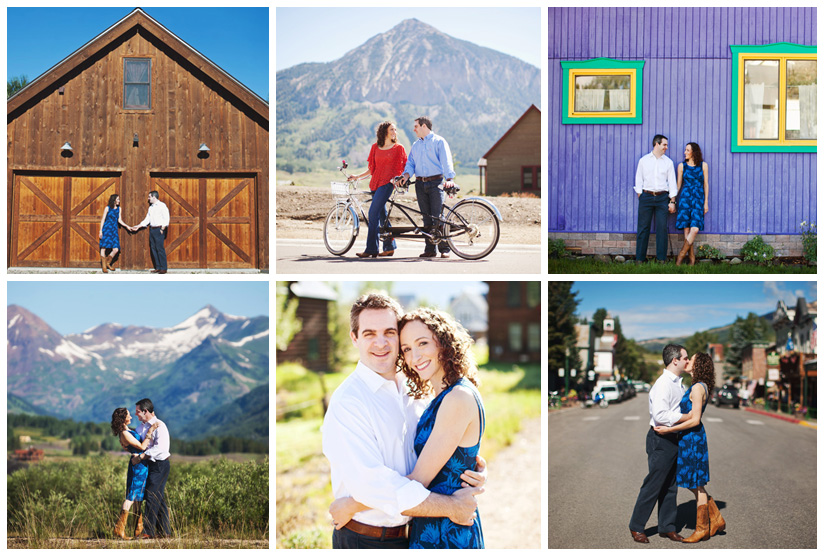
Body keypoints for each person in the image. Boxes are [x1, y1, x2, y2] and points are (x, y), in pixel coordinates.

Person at [321, 294, 485, 549]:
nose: (381, 342)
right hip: (367, 539)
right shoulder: (349, 402)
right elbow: (373, 486)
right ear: (354, 338)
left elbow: (433, 461)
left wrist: (471, 469)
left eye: (389, 332)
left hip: (419, 530)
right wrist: (454, 504)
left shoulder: (414, 388)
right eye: (369, 334)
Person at [654, 353, 726, 543]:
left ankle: (702, 529)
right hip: (690, 438)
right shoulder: (701, 386)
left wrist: (670, 429)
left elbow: (695, 419)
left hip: (692, 439)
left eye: (691, 359)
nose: (687, 361)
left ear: (698, 364)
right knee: (693, 483)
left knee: (696, 484)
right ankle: (716, 519)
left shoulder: (696, 387)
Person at [628, 344, 688, 543]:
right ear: (675, 360)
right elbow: (660, 415)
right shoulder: (664, 383)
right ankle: (636, 526)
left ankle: (667, 527)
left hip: (674, 437)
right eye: (685, 358)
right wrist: (687, 417)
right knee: (653, 484)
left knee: (671, 485)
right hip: (660, 438)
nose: (687, 361)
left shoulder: (679, 383)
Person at [397, 117, 456, 258]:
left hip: (436, 183)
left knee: (438, 217)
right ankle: (430, 250)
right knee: (426, 219)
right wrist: (405, 176)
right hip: (420, 184)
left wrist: (449, 179)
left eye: (416, 126)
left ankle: (444, 249)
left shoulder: (439, 141)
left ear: (424, 126)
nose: (414, 129)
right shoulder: (415, 145)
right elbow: (410, 164)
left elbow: (446, 160)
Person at [348, 121, 407, 258]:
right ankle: (389, 247)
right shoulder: (375, 147)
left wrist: (398, 180)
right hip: (375, 183)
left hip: (387, 184)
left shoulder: (398, 148)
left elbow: (403, 168)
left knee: (373, 213)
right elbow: (371, 169)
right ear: (384, 132)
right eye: (392, 130)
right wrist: (357, 176)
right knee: (382, 216)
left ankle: (372, 249)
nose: (394, 132)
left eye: (395, 130)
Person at [110, 408, 159, 539]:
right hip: (137, 465)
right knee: (131, 496)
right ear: (123, 417)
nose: (131, 416)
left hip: (141, 464)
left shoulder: (127, 431)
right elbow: (142, 447)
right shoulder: (124, 434)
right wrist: (150, 431)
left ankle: (138, 530)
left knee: (138, 497)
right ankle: (119, 529)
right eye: (128, 414)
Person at [634, 135, 677, 263]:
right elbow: (638, 179)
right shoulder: (644, 161)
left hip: (662, 198)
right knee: (643, 228)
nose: (666, 147)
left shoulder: (668, 162)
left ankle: (661, 259)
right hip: (646, 197)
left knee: (662, 228)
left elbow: (672, 183)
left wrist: (672, 201)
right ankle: (640, 259)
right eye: (664, 145)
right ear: (656, 144)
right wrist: (641, 195)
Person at [133, 398, 171, 539]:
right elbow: (136, 441)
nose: (136, 414)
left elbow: (160, 448)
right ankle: (165, 532)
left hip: (160, 465)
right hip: (150, 465)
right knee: (158, 497)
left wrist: (142, 456)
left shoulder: (160, 426)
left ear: (146, 411)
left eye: (138, 412)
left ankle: (148, 531)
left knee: (150, 495)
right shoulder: (142, 427)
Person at [675, 142, 710, 266]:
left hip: (698, 199)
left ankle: (680, 256)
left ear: (694, 152)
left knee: (694, 229)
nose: (685, 152)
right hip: (685, 199)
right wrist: (672, 200)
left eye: (687, 150)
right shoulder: (681, 166)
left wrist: (706, 202)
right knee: (686, 229)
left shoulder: (703, 165)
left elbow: (706, 184)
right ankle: (691, 259)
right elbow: (678, 185)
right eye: (685, 150)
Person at [134, 191, 170, 274]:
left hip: (159, 229)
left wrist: (163, 228)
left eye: (149, 197)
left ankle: (163, 268)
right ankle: (158, 267)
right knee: (153, 248)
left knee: (160, 249)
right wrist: (138, 226)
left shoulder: (162, 205)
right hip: (152, 229)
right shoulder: (151, 208)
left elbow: (166, 217)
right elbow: (147, 219)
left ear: (154, 197)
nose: (148, 198)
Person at [98, 194, 131, 273]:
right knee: (103, 248)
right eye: (118, 199)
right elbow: (103, 219)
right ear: (114, 200)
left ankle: (108, 263)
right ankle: (104, 267)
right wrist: (100, 230)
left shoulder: (119, 209)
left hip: (114, 230)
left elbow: (119, 220)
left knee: (116, 249)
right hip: (106, 229)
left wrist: (127, 226)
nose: (119, 201)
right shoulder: (107, 208)